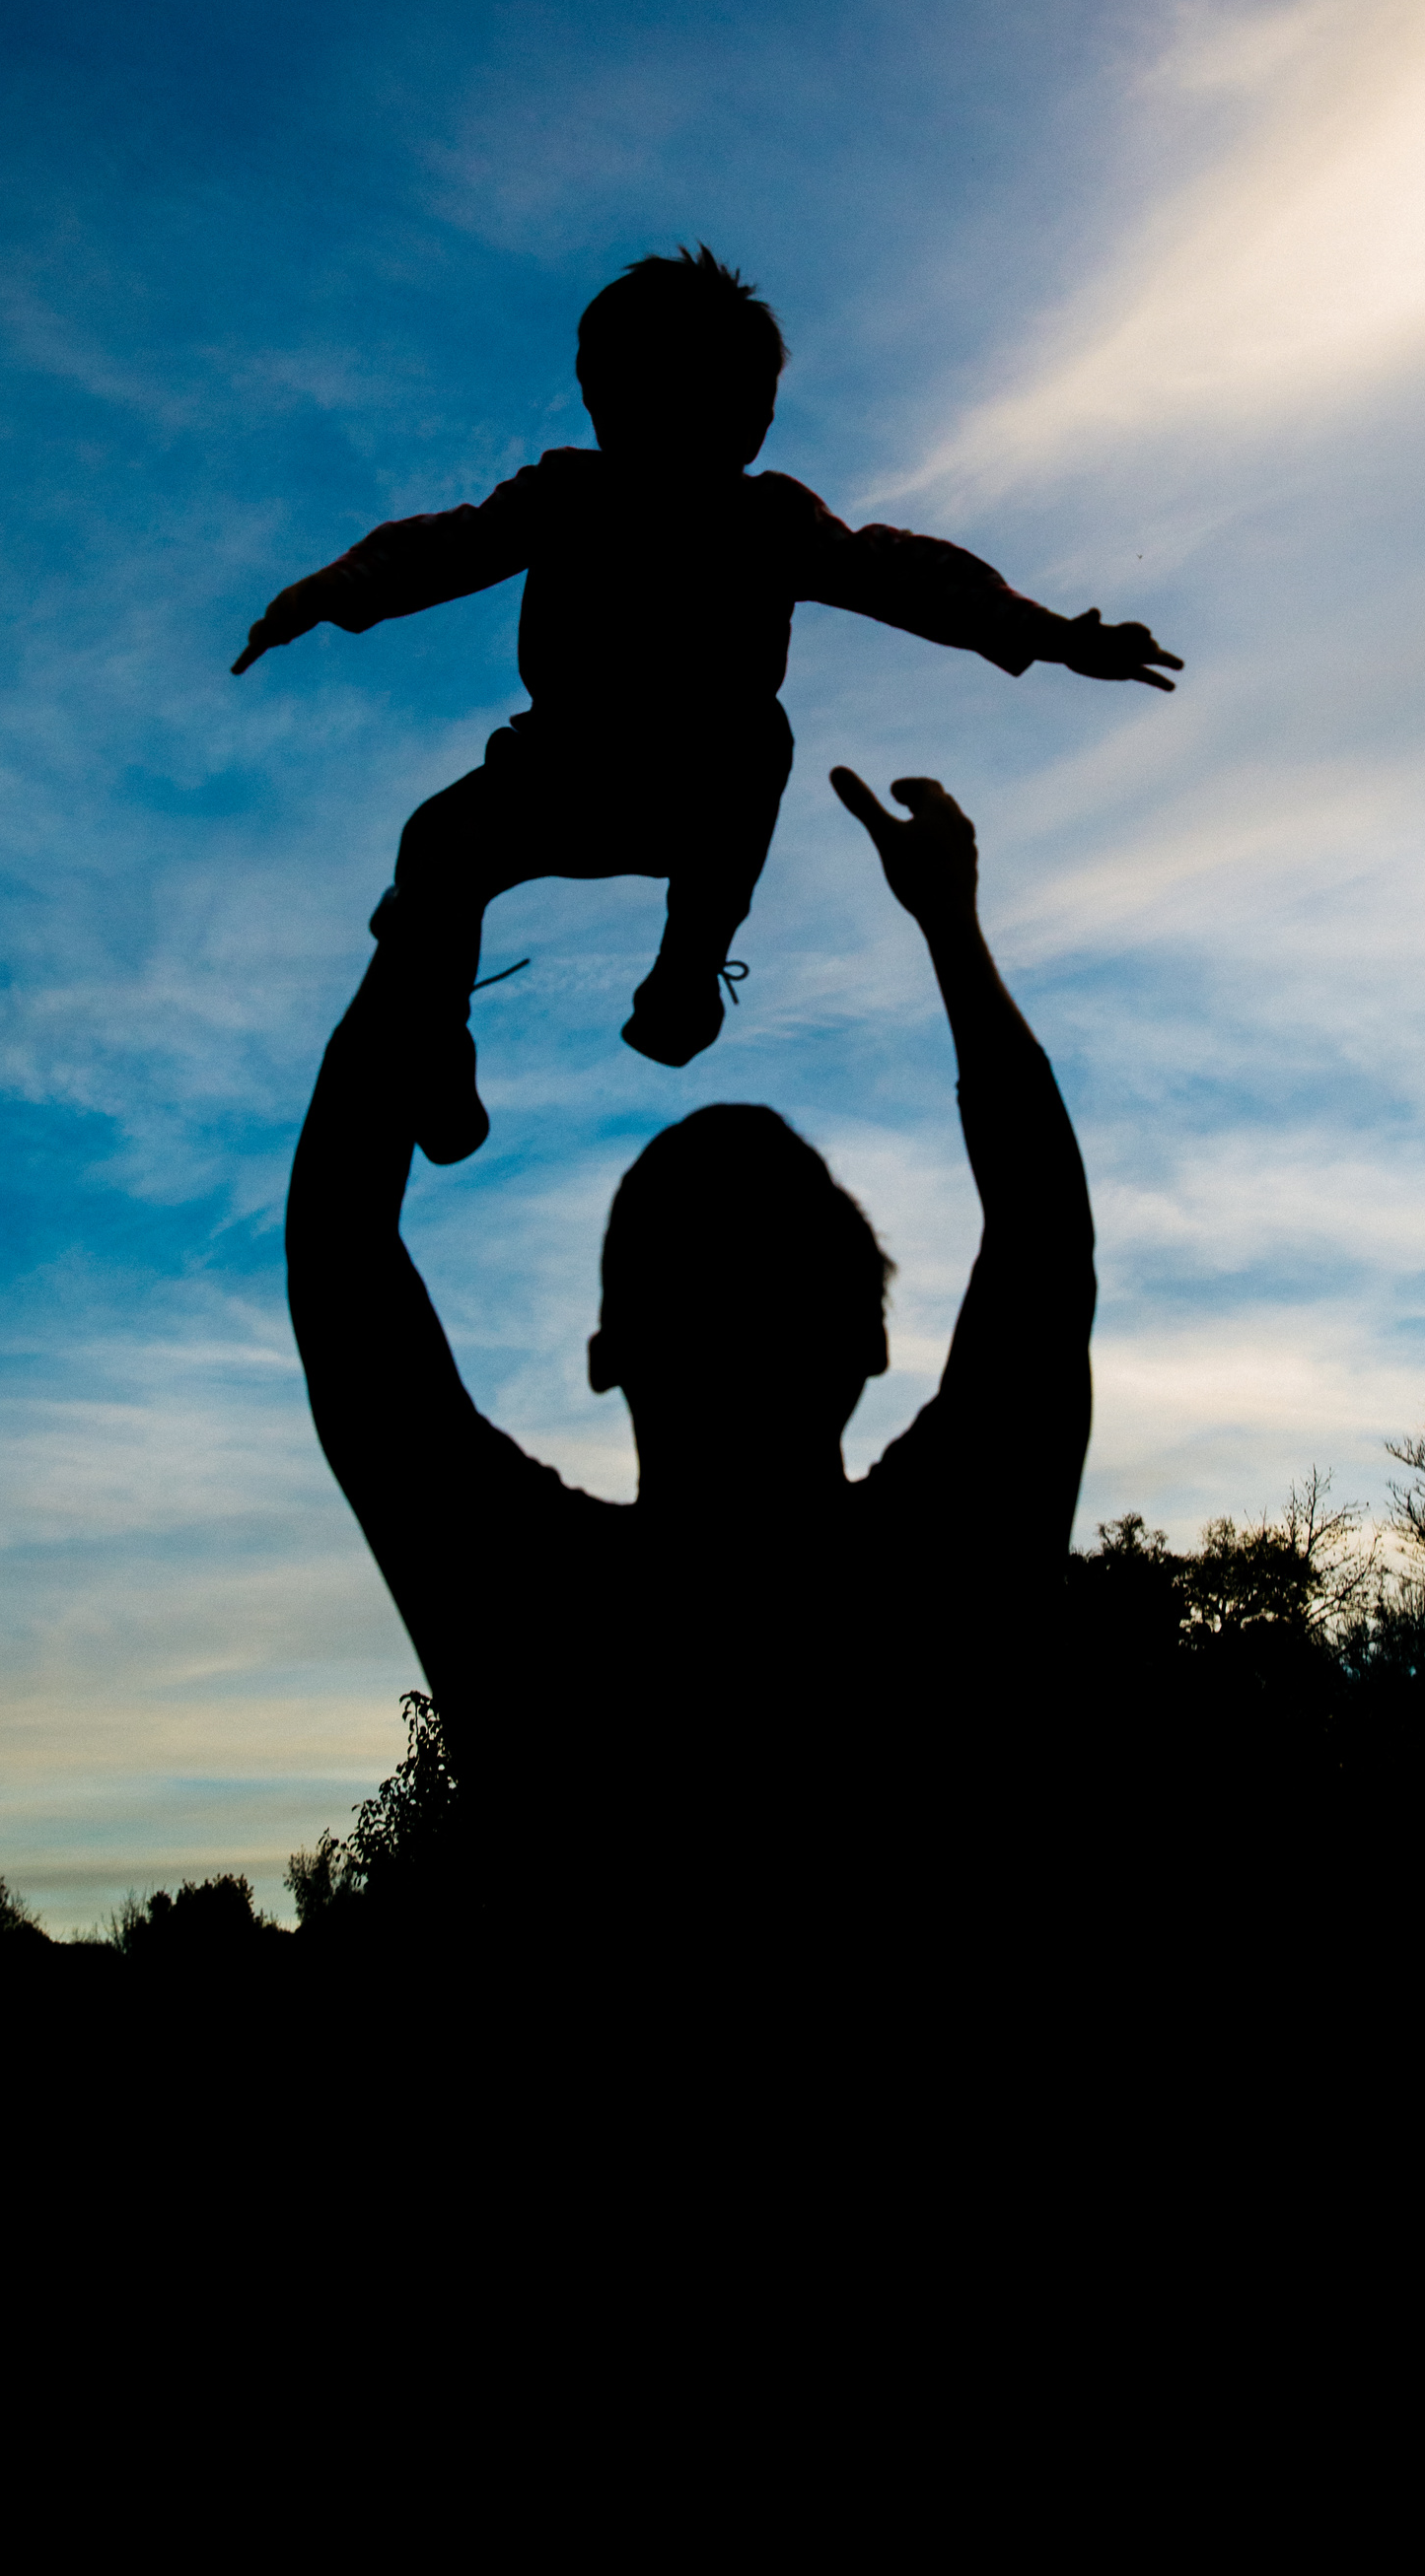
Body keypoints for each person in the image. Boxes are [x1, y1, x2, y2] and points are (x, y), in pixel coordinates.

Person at [284, 766, 1094, 1928]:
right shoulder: (947, 1563)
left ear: (607, 1352)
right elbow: (1040, 1240)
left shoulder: (531, 1612)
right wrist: (950, 930)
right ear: (868, 1340)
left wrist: (424, 922)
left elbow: (337, 1249)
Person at [236, 244, 1177, 1162]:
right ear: (608, 403)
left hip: (696, 792)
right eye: (672, 405)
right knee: (436, 846)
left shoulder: (767, 521)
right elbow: (448, 546)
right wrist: (337, 587)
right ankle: (437, 1050)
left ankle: (689, 965)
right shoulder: (569, 493)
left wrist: (1051, 633)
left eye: (739, 414)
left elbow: (901, 573)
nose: (710, 439)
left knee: (754, 742)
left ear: (754, 426)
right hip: (560, 772)